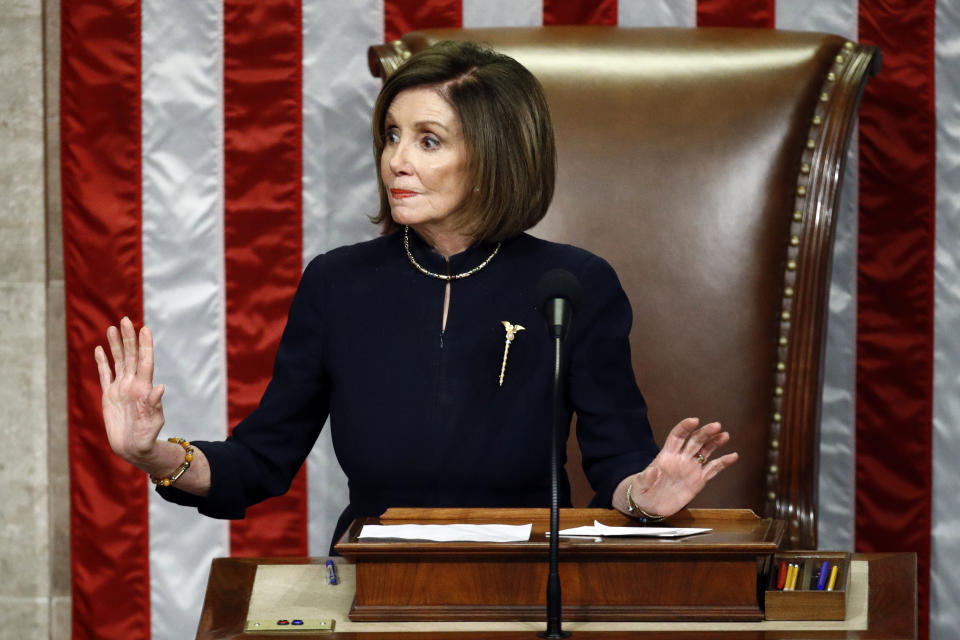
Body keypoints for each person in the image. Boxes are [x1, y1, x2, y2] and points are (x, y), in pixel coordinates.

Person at [94, 41, 738, 551]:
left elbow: (616, 460)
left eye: (428, 140)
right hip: (376, 575)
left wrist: (642, 498)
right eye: (392, 135)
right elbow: (261, 460)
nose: (397, 160)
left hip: (525, 575)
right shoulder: (336, 283)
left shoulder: (575, 284)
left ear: (496, 154)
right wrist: (154, 453)